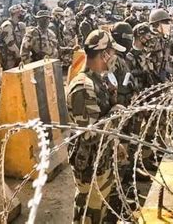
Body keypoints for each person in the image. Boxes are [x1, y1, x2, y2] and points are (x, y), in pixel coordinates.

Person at [67, 29, 126, 223]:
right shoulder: (83, 87)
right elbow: (90, 134)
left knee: (100, 209)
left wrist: (116, 144)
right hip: (90, 167)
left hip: (102, 159)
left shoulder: (98, 80)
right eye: (113, 52)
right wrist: (117, 111)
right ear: (104, 54)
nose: (115, 57)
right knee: (89, 214)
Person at [0, 4, 26, 70]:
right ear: (16, 13)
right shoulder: (7, 26)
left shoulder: (18, 25)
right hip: (9, 60)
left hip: (16, 57)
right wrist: (19, 57)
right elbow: (11, 44)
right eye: (21, 12)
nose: (22, 14)